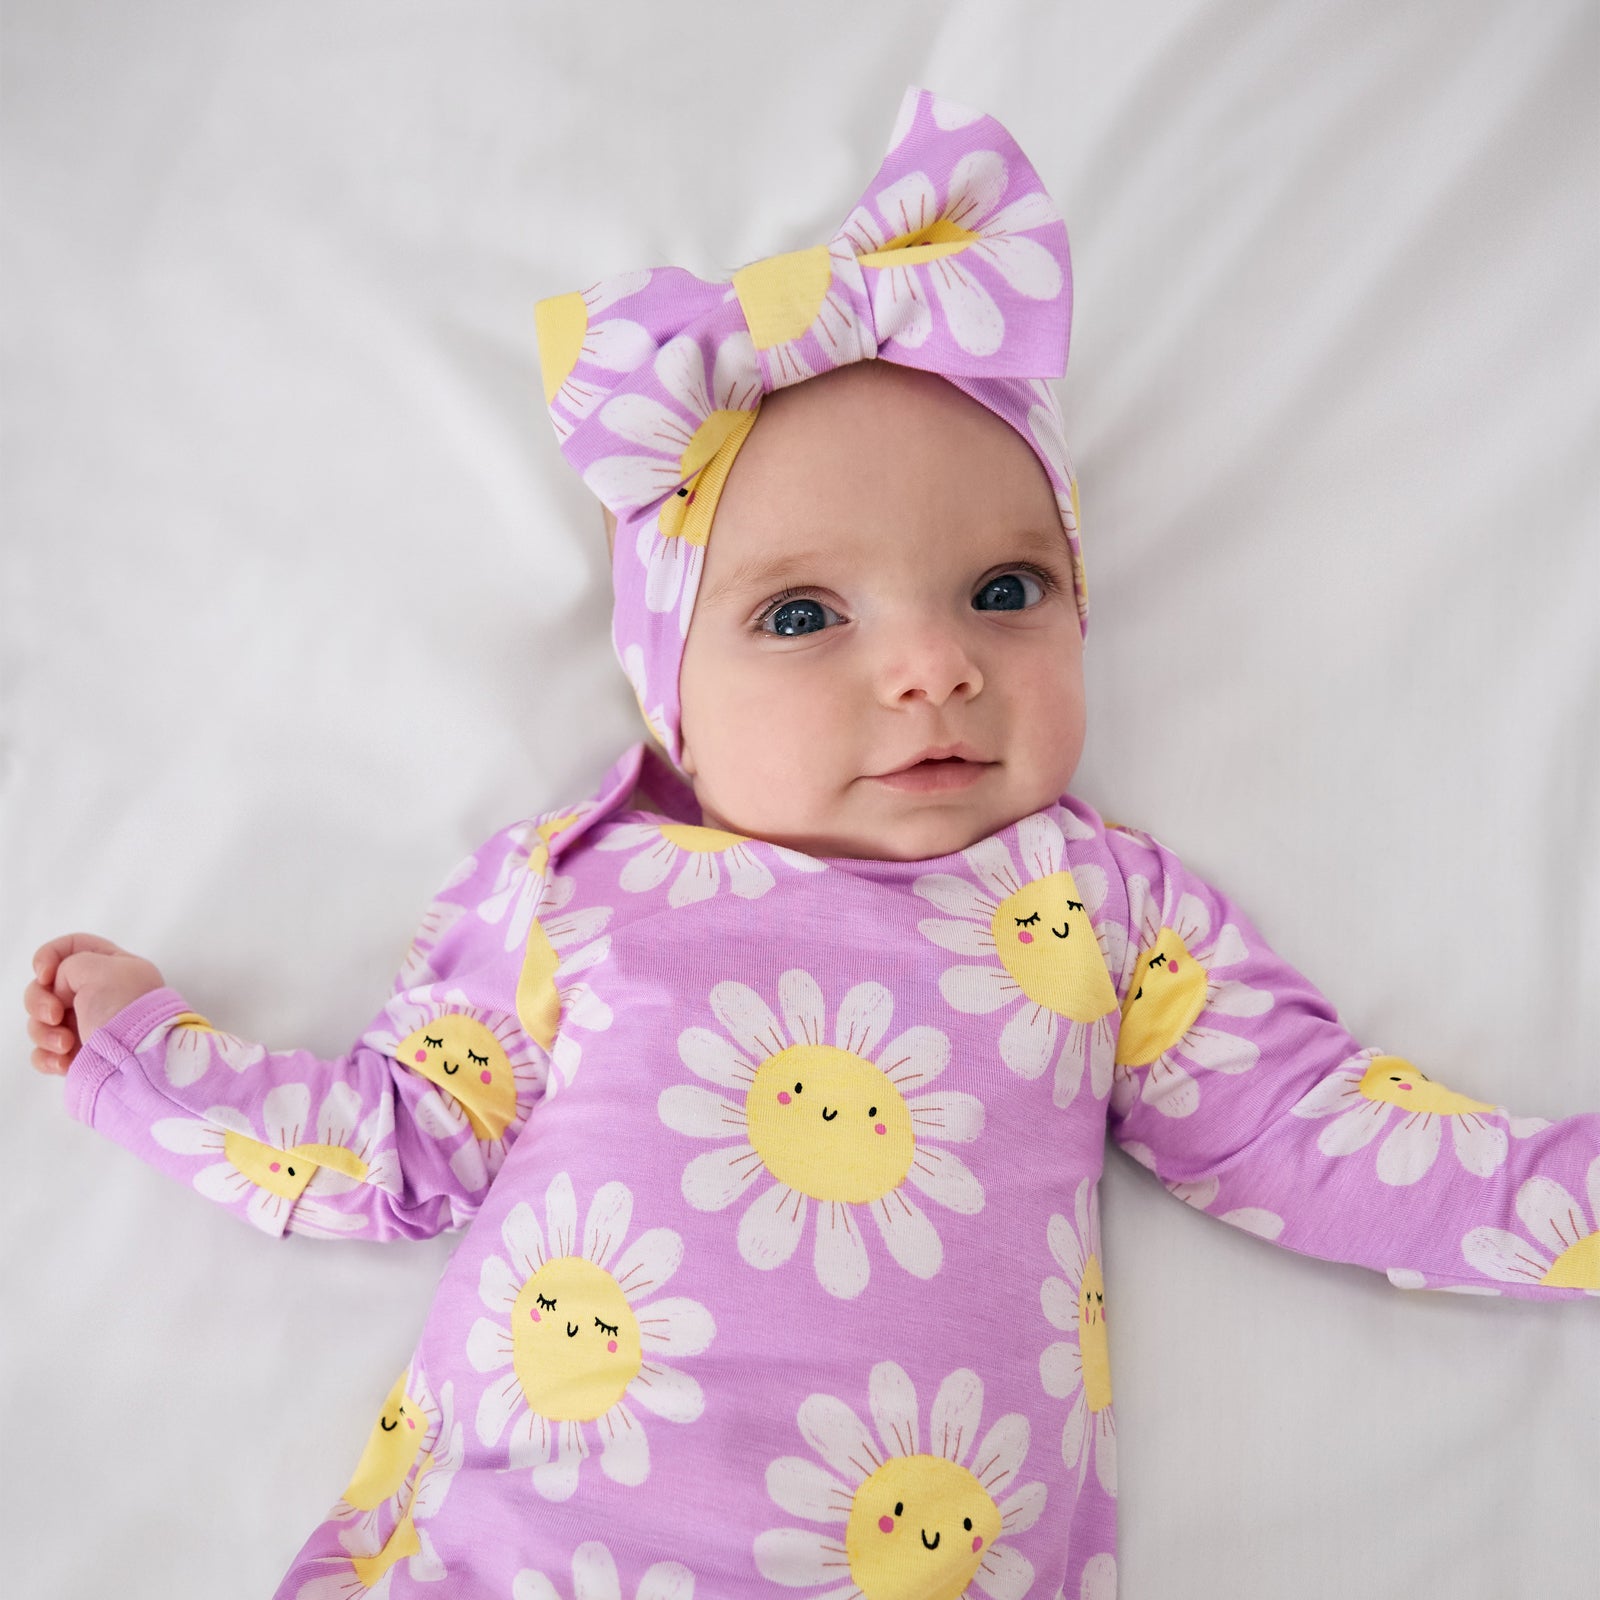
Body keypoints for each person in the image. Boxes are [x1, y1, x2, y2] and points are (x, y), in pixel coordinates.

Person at [23, 88, 1597, 1600]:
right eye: (800, 616)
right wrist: (149, 1057)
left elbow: (1311, 1131)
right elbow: (398, 1145)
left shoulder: (1099, 910)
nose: (934, 665)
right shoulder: (582, 886)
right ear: (671, 696)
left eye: (1004, 591)